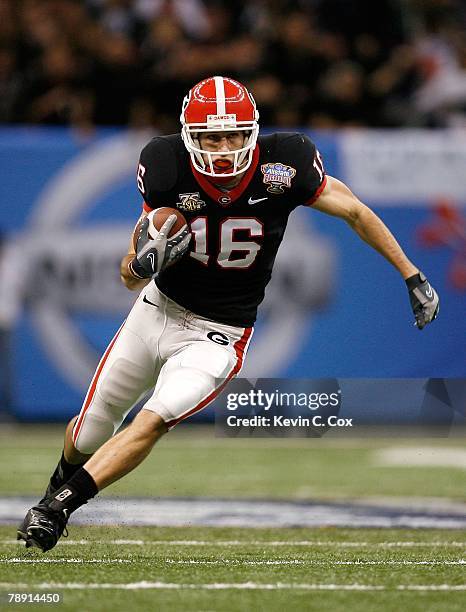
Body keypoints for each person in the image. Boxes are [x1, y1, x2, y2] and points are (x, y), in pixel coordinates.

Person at [17, 76, 439, 552]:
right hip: (156, 312)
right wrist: (143, 262)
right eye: (212, 136)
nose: (224, 146)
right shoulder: (165, 164)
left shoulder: (286, 163)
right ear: (189, 137)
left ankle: (56, 509)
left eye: (234, 134)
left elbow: (356, 212)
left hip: (219, 333)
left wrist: (411, 273)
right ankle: (55, 490)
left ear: (252, 132)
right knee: (91, 427)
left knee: (153, 420)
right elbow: (127, 277)